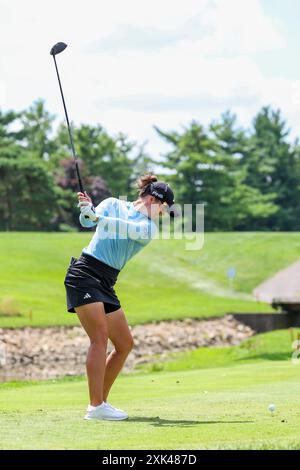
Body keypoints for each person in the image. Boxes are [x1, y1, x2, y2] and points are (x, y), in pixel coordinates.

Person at [64, 174, 177, 421]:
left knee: (124, 344)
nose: (162, 215)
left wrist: (97, 216)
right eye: (163, 209)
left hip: (105, 282)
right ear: (153, 200)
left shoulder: (148, 228)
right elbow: (86, 221)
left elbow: (125, 227)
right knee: (99, 337)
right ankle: (95, 407)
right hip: (84, 274)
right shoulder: (113, 203)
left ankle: (100, 403)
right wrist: (87, 209)